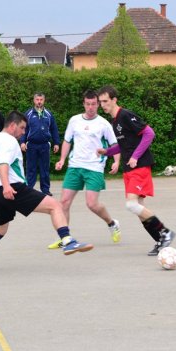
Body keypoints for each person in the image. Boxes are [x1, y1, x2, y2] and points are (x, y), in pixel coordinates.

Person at [0, 111, 93, 274]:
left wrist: (3, 187)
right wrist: (7, 186)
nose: (24, 132)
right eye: (22, 128)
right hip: (12, 188)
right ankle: (68, 241)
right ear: (12, 126)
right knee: (55, 206)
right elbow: (3, 164)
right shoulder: (9, 140)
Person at [97, 85, 176, 256]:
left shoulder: (125, 115)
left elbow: (149, 133)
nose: (102, 105)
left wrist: (135, 156)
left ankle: (165, 232)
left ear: (114, 100)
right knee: (138, 209)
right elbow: (124, 144)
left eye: (105, 101)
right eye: (100, 102)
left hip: (139, 167)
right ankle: (161, 241)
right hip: (129, 169)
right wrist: (107, 152)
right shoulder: (115, 121)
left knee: (132, 205)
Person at [48, 90, 122, 249]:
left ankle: (112, 223)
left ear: (98, 105)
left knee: (92, 204)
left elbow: (114, 144)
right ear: (83, 104)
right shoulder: (74, 120)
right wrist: (62, 159)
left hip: (94, 167)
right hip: (75, 166)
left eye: (94, 104)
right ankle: (65, 238)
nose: (90, 107)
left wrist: (116, 162)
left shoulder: (103, 124)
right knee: (64, 202)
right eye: (88, 104)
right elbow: (67, 141)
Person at [20, 93, 60, 195]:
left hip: (44, 145)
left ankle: (45, 190)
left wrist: (56, 143)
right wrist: (22, 142)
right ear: (34, 100)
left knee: (44, 168)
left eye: (41, 99)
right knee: (31, 168)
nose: (39, 101)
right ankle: (29, 189)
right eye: (37, 99)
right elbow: (24, 129)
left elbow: (54, 129)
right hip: (31, 145)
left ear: (44, 100)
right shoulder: (28, 114)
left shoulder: (48, 114)